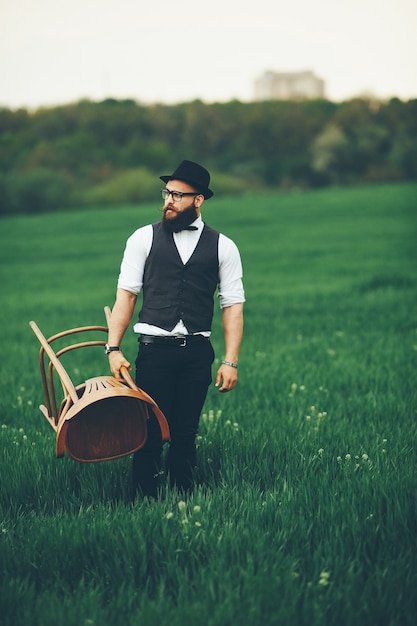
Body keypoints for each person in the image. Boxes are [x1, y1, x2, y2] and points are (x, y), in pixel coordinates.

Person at [106, 160, 245, 498]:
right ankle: (143, 502)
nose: (169, 200)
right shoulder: (142, 238)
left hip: (198, 353)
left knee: (185, 432)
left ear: (198, 200)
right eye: (167, 192)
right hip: (154, 351)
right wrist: (113, 348)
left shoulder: (223, 246)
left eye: (178, 195)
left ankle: (183, 500)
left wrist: (230, 360)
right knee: (149, 430)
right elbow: (125, 296)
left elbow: (233, 305)